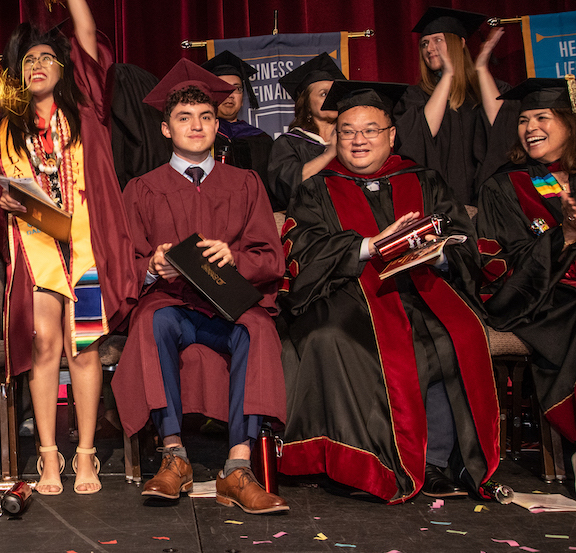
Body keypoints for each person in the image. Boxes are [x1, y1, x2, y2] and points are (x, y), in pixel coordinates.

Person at [279, 81, 500, 503]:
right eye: (347, 131)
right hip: (347, 293)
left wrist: (436, 255)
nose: (358, 140)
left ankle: (437, 461)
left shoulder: (424, 179)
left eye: (370, 130)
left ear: (391, 135)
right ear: (335, 136)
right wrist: (368, 246)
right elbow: (303, 251)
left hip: (424, 288)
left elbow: (464, 239)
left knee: (455, 337)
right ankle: (372, 460)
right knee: (347, 341)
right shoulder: (315, 189)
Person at [0, 0, 135, 496]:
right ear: (19, 76)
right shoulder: (7, 129)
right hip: (38, 245)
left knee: (87, 344)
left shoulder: (89, 108)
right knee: (46, 344)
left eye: (48, 57)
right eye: (28, 62)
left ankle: (88, 453)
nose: (39, 65)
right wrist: (4, 198)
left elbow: (88, 32)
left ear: (65, 68)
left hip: (87, 243)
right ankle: (48, 455)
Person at [114, 60, 289, 514]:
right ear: (165, 129)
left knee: (258, 329)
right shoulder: (141, 189)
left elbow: (272, 259)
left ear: (218, 124)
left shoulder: (246, 183)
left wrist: (235, 259)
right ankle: (174, 456)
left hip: (230, 306)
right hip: (172, 302)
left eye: (206, 116)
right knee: (152, 319)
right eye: (184, 118)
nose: (196, 125)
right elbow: (122, 263)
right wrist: (152, 267)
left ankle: (238, 466)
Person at [476, 77, 576, 442]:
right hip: (538, 300)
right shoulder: (504, 186)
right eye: (524, 120)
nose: (530, 128)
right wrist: (564, 235)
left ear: (569, 121)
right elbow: (503, 265)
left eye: (542, 118)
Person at [395, 7, 518, 206]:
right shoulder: (415, 96)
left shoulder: (488, 89)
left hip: (489, 202)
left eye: (438, 40)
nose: (429, 48)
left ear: (460, 42)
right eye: (424, 43)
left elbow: (502, 127)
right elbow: (422, 135)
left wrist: (480, 69)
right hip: (437, 202)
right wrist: (449, 75)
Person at [267, 53, 347, 211]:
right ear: (307, 105)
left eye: (335, 93)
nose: (332, 99)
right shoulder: (289, 143)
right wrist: (330, 154)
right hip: (310, 220)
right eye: (324, 94)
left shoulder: (353, 138)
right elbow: (286, 189)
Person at [204, 51, 274, 194]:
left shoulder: (262, 140)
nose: (230, 95)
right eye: (222, 88)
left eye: (236, 89)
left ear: (242, 98)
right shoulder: (199, 137)